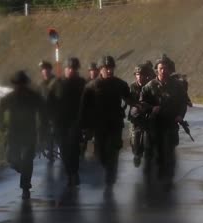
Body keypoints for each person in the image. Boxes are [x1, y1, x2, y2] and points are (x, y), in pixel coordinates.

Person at [79, 56, 138, 186]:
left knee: (113, 151)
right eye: (106, 68)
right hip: (99, 126)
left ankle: (110, 178)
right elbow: (84, 108)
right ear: (100, 69)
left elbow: (128, 98)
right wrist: (84, 127)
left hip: (115, 124)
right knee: (100, 153)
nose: (109, 71)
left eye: (111, 68)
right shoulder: (91, 86)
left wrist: (138, 105)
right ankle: (103, 172)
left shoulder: (120, 84)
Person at [0, 70, 47, 199]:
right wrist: (2, 127)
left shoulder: (34, 97)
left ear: (25, 84)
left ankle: (25, 187)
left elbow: (43, 114)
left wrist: (42, 130)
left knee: (28, 161)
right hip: (13, 134)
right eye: (18, 84)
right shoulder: (10, 98)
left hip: (29, 134)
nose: (20, 86)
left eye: (22, 83)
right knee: (11, 158)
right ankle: (20, 169)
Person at [140, 55, 189, 189]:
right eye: (161, 68)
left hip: (171, 123)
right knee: (157, 151)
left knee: (170, 150)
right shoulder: (149, 87)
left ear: (169, 70)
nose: (163, 71)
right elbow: (142, 104)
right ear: (156, 70)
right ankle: (157, 177)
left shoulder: (177, 86)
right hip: (155, 124)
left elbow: (183, 102)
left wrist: (180, 115)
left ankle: (168, 178)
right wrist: (151, 108)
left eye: (165, 68)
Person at [48, 57, 86, 187]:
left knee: (74, 148)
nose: (71, 71)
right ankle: (70, 172)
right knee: (64, 150)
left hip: (75, 121)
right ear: (65, 69)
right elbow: (48, 102)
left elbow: (88, 102)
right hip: (60, 123)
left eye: (74, 69)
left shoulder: (82, 83)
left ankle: (74, 173)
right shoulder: (56, 83)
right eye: (69, 68)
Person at [128, 63, 154, 167]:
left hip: (147, 118)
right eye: (138, 74)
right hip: (135, 119)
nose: (140, 77)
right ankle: (137, 154)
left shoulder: (150, 86)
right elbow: (128, 101)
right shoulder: (132, 87)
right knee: (135, 143)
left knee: (148, 142)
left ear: (146, 75)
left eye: (142, 74)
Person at [38, 60, 61, 164]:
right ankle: (50, 151)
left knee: (57, 136)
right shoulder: (41, 85)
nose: (45, 71)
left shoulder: (56, 82)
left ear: (50, 70)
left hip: (55, 115)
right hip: (44, 116)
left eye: (46, 69)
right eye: (43, 70)